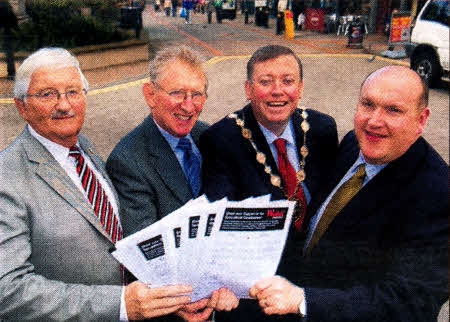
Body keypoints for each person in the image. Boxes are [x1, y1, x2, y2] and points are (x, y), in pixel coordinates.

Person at [0, 47, 202, 321]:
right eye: (47, 94)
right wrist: (119, 304)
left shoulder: (82, 147)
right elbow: (8, 291)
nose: (64, 105)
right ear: (22, 106)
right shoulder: (7, 176)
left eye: (73, 92)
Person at [250, 66, 448, 321]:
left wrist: (304, 301)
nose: (374, 121)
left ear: (421, 119)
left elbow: (410, 303)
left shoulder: (439, 194)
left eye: (393, 110)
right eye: (368, 104)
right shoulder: (354, 144)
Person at [200, 45, 338, 320]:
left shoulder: (323, 129)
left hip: (314, 287)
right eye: (265, 82)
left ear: (299, 88)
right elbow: (224, 228)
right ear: (248, 89)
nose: (277, 91)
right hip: (258, 293)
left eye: (287, 81)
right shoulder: (221, 140)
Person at [106, 46, 238, 320]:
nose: (188, 106)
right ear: (150, 95)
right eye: (177, 93)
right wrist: (181, 301)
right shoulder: (128, 159)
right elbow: (146, 251)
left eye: (196, 95)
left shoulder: (209, 136)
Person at [0, 0, 18, 80]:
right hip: (7, 31)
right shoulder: (7, 6)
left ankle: (11, 73)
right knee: (9, 53)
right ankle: (11, 73)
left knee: (9, 52)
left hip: (5, 30)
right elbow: (13, 19)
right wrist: (15, 28)